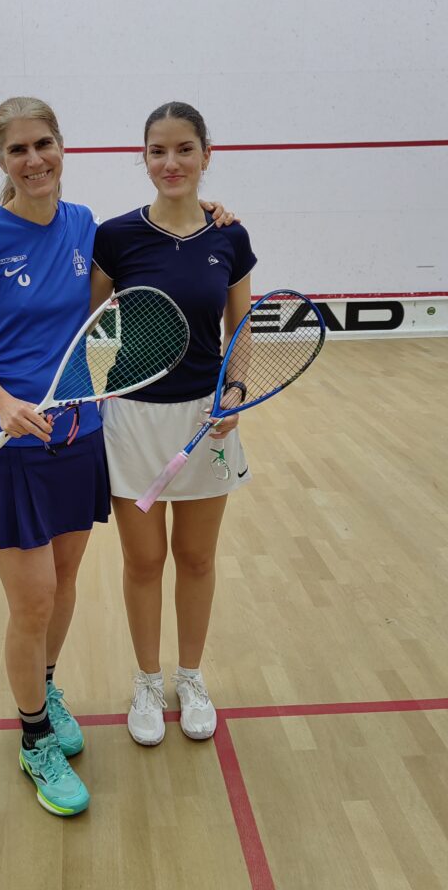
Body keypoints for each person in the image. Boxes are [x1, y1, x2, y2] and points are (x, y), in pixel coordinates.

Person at [0, 96, 236, 815]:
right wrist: (2, 403)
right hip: (10, 444)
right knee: (34, 599)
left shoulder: (84, 228)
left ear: (62, 147)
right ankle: (34, 737)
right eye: (18, 149)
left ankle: (44, 692)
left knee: (66, 580)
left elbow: (159, 245)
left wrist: (210, 211)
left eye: (43, 144)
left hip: (77, 438)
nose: (34, 160)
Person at [91, 101, 257, 746]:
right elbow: (88, 326)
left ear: (207, 155)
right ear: (143, 158)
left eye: (184, 149)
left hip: (206, 419)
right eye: (158, 151)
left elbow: (238, 329)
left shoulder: (230, 238)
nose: (171, 162)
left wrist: (235, 390)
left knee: (196, 557)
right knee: (143, 560)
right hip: (131, 420)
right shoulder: (116, 237)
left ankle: (190, 677)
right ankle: (146, 681)